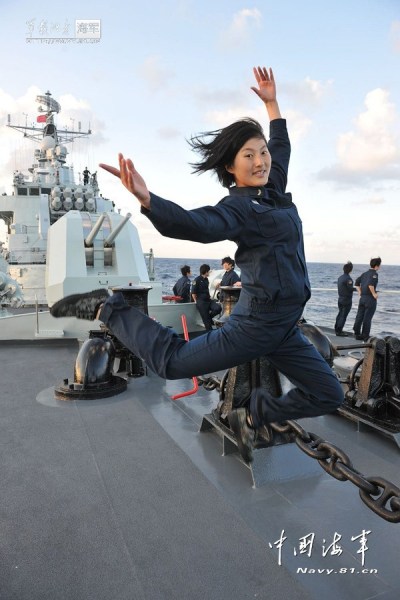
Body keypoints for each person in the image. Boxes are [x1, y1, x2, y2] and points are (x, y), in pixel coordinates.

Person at [50, 65, 343, 464]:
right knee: (172, 363)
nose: (261, 161)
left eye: (262, 152)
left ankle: (255, 413)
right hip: (256, 326)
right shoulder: (239, 209)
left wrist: (273, 105)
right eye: (249, 155)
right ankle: (108, 306)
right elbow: (196, 224)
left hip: (285, 328)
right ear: (231, 167)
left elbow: (282, 146)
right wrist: (148, 199)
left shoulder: (273, 190)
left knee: (329, 394)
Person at [353, 257, 381, 341]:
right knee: (367, 318)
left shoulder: (364, 274)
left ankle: (357, 333)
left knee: (359, 316)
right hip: (370, 299)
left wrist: (360, 292)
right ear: (377, 266)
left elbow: (356, 283)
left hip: (363, 298)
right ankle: (365, 336)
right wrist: (374, 294)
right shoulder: (374, 274)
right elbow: (370, 285)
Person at [191, 264, 221, 330]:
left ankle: (209, 318)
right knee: (207, 324)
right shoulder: (196, 280)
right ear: (206, 271)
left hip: (208, 300)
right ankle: (210, 334)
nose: (209, 272)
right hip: (201, 303)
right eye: (209, 271)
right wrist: (196, 302)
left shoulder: (206, 279)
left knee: (218, 308)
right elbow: (193, 293)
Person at [334, 261, 355, 336]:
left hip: (340, 299)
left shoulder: (340, 278)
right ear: (350, 270)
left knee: (340, 314)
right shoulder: (348, 279)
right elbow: (350, 288)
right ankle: (339, 331)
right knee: (343, 316)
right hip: (346, 300)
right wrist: (358, 289)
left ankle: (336, 328)